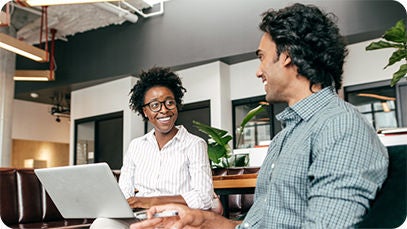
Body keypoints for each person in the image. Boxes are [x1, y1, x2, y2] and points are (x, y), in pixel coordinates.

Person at [130, 3, 389, 229]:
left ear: (287, 57)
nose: (258, 71)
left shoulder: (340, 126)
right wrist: (205, 222)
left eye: (262, 58)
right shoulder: (285, 138)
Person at [91, 67, 216, 228]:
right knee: (102, 224)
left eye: (169, 102)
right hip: (141, 217)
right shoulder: (136, 146)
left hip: (177, 217)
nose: (164, 110)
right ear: (145, 111)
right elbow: (125, 193)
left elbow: (204, 197)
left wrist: (149, 201)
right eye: (155, 105)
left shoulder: (194, 144)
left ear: (176, 105)